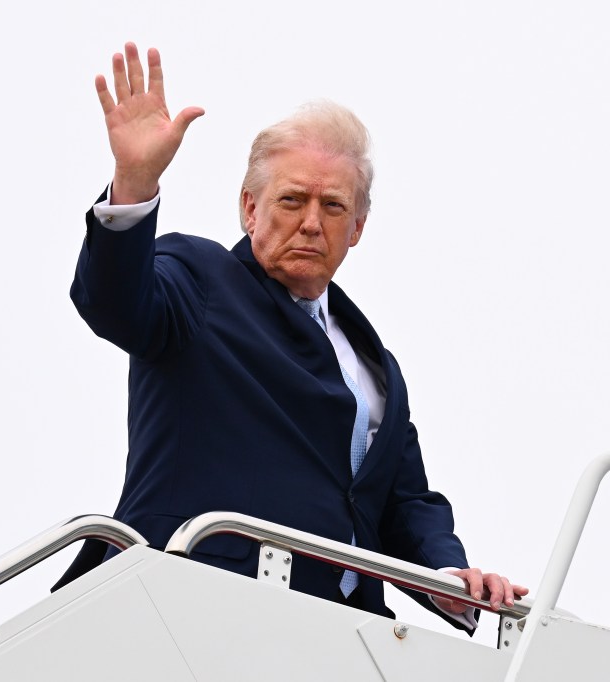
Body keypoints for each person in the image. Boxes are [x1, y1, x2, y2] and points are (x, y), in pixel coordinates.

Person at [54, 43, 526, 631]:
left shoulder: (374, 364)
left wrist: (449, 579)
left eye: (332, 206)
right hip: (191, 606)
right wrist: (133, 184)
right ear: (249, 208)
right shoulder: (198, 279)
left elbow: (402, 501)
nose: (310, 222)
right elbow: (115, 302)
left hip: (343, 635)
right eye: (291, 199)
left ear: (357, 229)